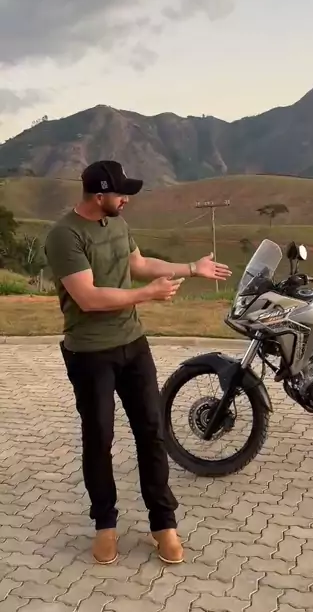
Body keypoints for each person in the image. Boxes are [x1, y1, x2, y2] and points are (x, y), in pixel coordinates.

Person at [44, 160, 231, 566]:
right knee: (99, 439)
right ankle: (105, 524)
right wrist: (147, 295)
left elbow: (140, 264)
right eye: (121, 193)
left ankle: (163, 524)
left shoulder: (118, 224)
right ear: (99, 195)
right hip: (90, 353)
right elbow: (88, 298)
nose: (126, 199)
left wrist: (191, 269)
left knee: (151, 432)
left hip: (133, 345)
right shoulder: (64, 235)